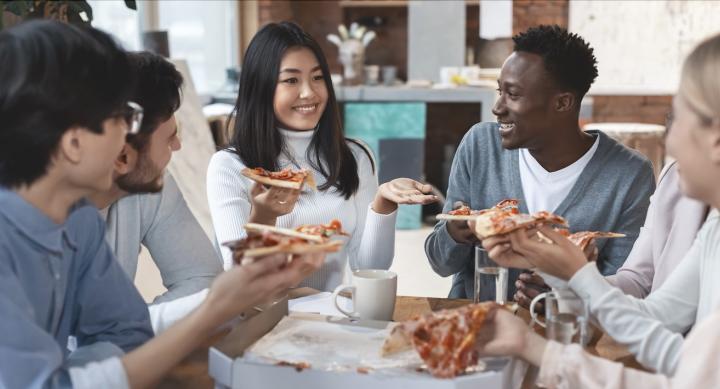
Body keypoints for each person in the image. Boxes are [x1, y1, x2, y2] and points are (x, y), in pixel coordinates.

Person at [0, 20, 322, 389]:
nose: (127, 137)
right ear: (73, 144)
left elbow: (127, 332)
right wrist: (213, 308)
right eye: (121, 119)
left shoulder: (78, 221)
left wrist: (82, 373)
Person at [476, 32, 720, 387]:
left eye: (677, 118)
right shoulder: (715, 225)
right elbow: (661, 327)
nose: (668, 140)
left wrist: (577, 275)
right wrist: (560, 272)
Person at [424, 25, 655, 300]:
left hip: (565, 337)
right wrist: (454, 232)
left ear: (562, 103)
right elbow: (440, 263)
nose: (497, 107)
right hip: (475, 330)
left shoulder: (629, 174)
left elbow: (628, 288)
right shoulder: (480, 145)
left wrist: (569, 291)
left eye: (513, 94)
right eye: (500, 91)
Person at [207, 21, 437, 291]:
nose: (310, 93)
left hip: (329, 316)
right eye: (291, 80)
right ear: (261, 88)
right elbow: (238, 277)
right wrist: (264, 216)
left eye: (317, 78)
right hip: (262, 319)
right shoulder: (230, 166)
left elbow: (370, 266)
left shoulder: (355, 155)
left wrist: (383, 203)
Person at [87, 51, 222, 332]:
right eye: (170, 138)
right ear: (123, 157)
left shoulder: (150, 183)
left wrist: (128, 327)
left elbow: (203, 278)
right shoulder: (39, 217)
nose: (177, 147)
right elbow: (74, 342)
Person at [513, 161, 709, 310]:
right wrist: (567, 288)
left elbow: (666, 320)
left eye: (677, 121)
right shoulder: (673, 178)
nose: (670, 142)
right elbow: (638, 281)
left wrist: (579, 281)